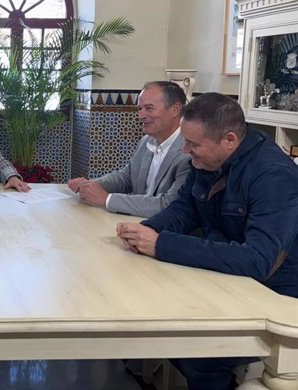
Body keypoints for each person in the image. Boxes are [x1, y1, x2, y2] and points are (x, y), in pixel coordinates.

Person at [116, 92, 298, 390]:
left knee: (196, 354)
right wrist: (143, 232)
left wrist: (161, 244)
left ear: (229, 139)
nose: (185, 151)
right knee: (157, 324)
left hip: (275, 300)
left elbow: (257, 261)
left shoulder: (274, 176)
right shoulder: (209, 161)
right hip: (225, 284)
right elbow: (185, 209)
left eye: (193, 144)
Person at [68, 81, 190, 217]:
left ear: (175, 109)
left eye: (149, 108)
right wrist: (91, 186)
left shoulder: (189, 151)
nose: (141, 116)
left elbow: (169, 205)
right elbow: (126, 177)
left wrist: (107, 199)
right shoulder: (146, 141)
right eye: (140, 108)